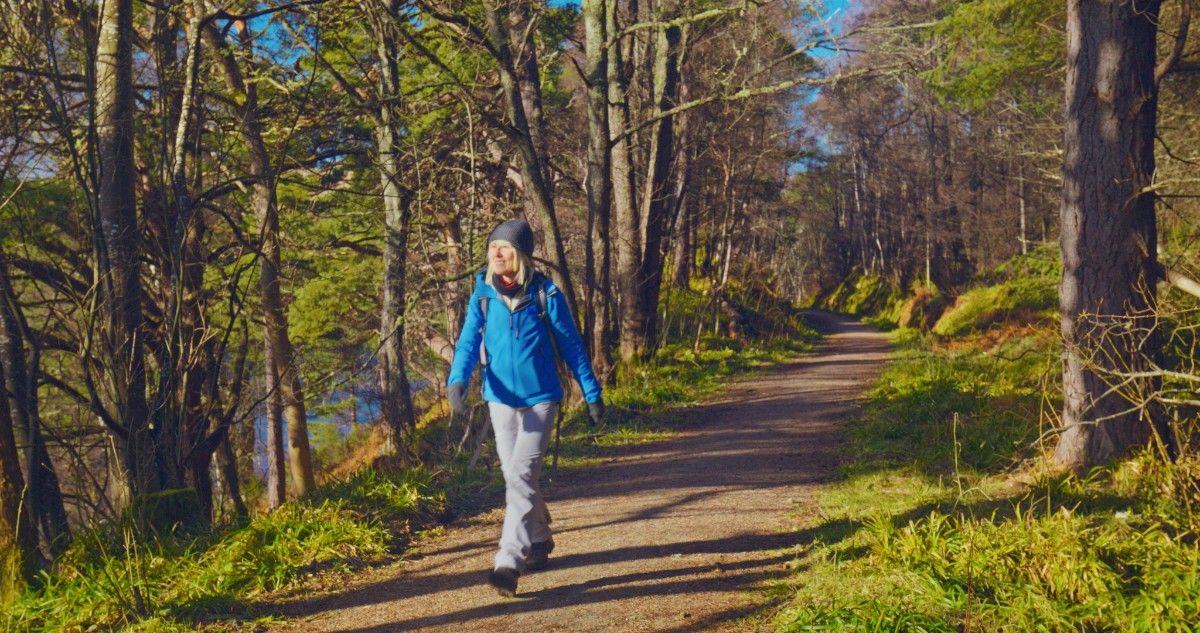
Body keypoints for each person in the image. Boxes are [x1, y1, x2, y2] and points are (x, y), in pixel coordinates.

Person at [446, 219, 604, 598]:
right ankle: (540, 537)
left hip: (541, 400)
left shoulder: (546, 294)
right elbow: (468, 344)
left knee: (520, 474)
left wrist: (592, 393)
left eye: (504, 248)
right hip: (499, 399)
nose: (496, 254)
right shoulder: (482, 296)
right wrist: (457, 381)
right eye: (492, 248)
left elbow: (572, 347)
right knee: (517, 476)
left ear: (520, 255)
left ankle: (508, 560)